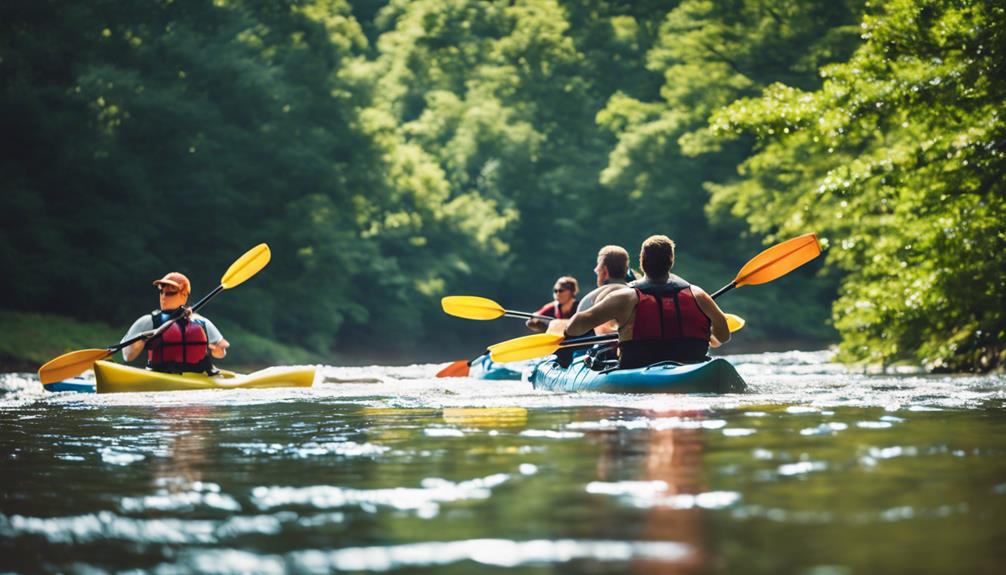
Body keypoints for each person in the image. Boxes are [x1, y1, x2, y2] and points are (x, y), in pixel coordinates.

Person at [553, 235, 730, 368]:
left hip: (639, 367)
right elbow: (723, 336)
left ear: (642, 261)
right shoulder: (698, 294)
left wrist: (566, 333)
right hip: (692, 365)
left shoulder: (625, 297)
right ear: (671, 261)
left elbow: (578, 324)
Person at [120, 272, 230, 373]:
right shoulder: (148, 321)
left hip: (198, 377)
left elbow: (221, 354)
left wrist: (219, 350)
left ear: (184, 295)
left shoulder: (201, 322)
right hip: (159, 375)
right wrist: (141, 341)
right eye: (161, 292)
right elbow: (127, 356)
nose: (163, 297)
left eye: (170, 293)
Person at [577, 245, 632, 335]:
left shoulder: (589, 300)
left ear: (605, 271)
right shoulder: (640, 294)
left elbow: (576, 333)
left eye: (598, 270)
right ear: (626, 270)